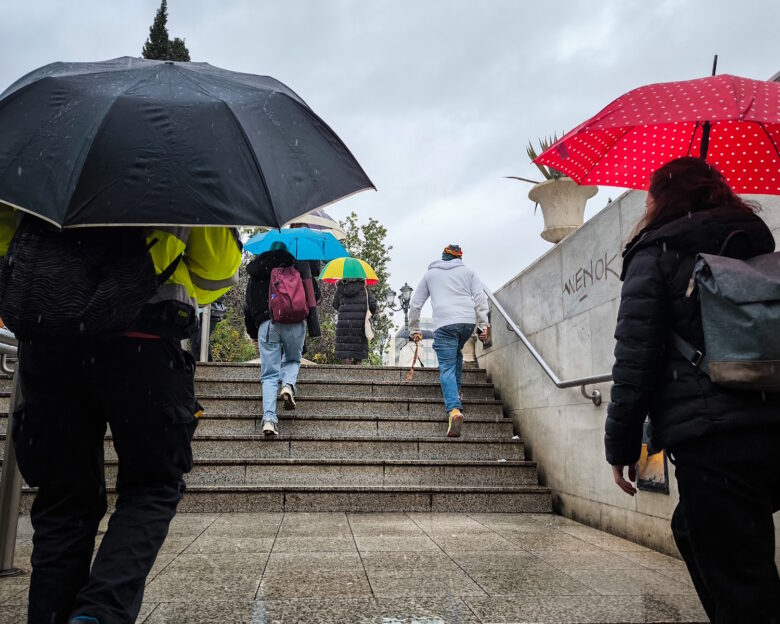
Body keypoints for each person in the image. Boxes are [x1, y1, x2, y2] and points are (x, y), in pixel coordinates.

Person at [0, 214, 241, 624]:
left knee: (63, 501)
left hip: (51, 337)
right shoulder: (181, 180)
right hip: (143, 338)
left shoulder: (34, 173)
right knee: (153, 484)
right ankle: (100, 614)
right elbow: (217, 267)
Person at [605, 157, 780, 623]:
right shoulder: (752, 242)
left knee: (744, 589)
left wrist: (621, 446)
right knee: (695, 530)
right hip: (771, 421)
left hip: (713, 437)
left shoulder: (655, 253)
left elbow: (635, 360)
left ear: (660, 198)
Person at [408, 244, 489, 437]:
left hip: (444, 324)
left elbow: (415, 303)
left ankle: (453, 409)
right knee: (456, 354)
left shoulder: (430, 274)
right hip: (466, 323)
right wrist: (483, 325)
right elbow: (480, 298)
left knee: (446, 367)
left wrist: (414, 328)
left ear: (443, 257)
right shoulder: (469, 272)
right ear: (459, 258)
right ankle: (456, 392)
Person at [244, 242, 307, 436]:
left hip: (267, 324)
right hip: (294, 323)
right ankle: (288, 385)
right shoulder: (295, 268)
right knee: (292, 360)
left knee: (270, 375)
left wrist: (253, 332)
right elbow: (314, 295)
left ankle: (269, 419)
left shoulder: (256, 272)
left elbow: (248, 307)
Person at [333, 277, 377, 364]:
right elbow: (373, 305)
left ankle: (346, 371)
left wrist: (344, 310)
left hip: (344, 325)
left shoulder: (340, 288)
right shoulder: (364, 288)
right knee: (358, 354)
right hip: (359, 324)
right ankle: (358, 371)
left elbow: (335, 304)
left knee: (345, 353)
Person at [188, 296, 227, 361]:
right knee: (194, 342)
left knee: (201, 340)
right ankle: (197, 364)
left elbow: (221, 295)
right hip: (195, 313)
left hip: (210, 314)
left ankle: (208, 364)